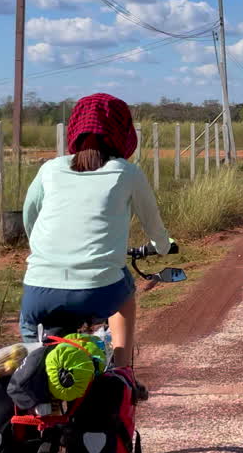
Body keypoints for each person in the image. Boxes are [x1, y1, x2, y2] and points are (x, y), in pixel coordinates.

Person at [18, 92, 172, 370]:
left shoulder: (50, 168)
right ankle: (124, 370)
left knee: (35, 367)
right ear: (123, 133)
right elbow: (154, 225)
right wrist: (163, 246)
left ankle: (32, 384)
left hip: (38, 290)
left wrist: (43, 250)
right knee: (125, 293)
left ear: (74, 129)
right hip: (99, 290)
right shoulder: (127, 172)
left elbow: (30, 217)